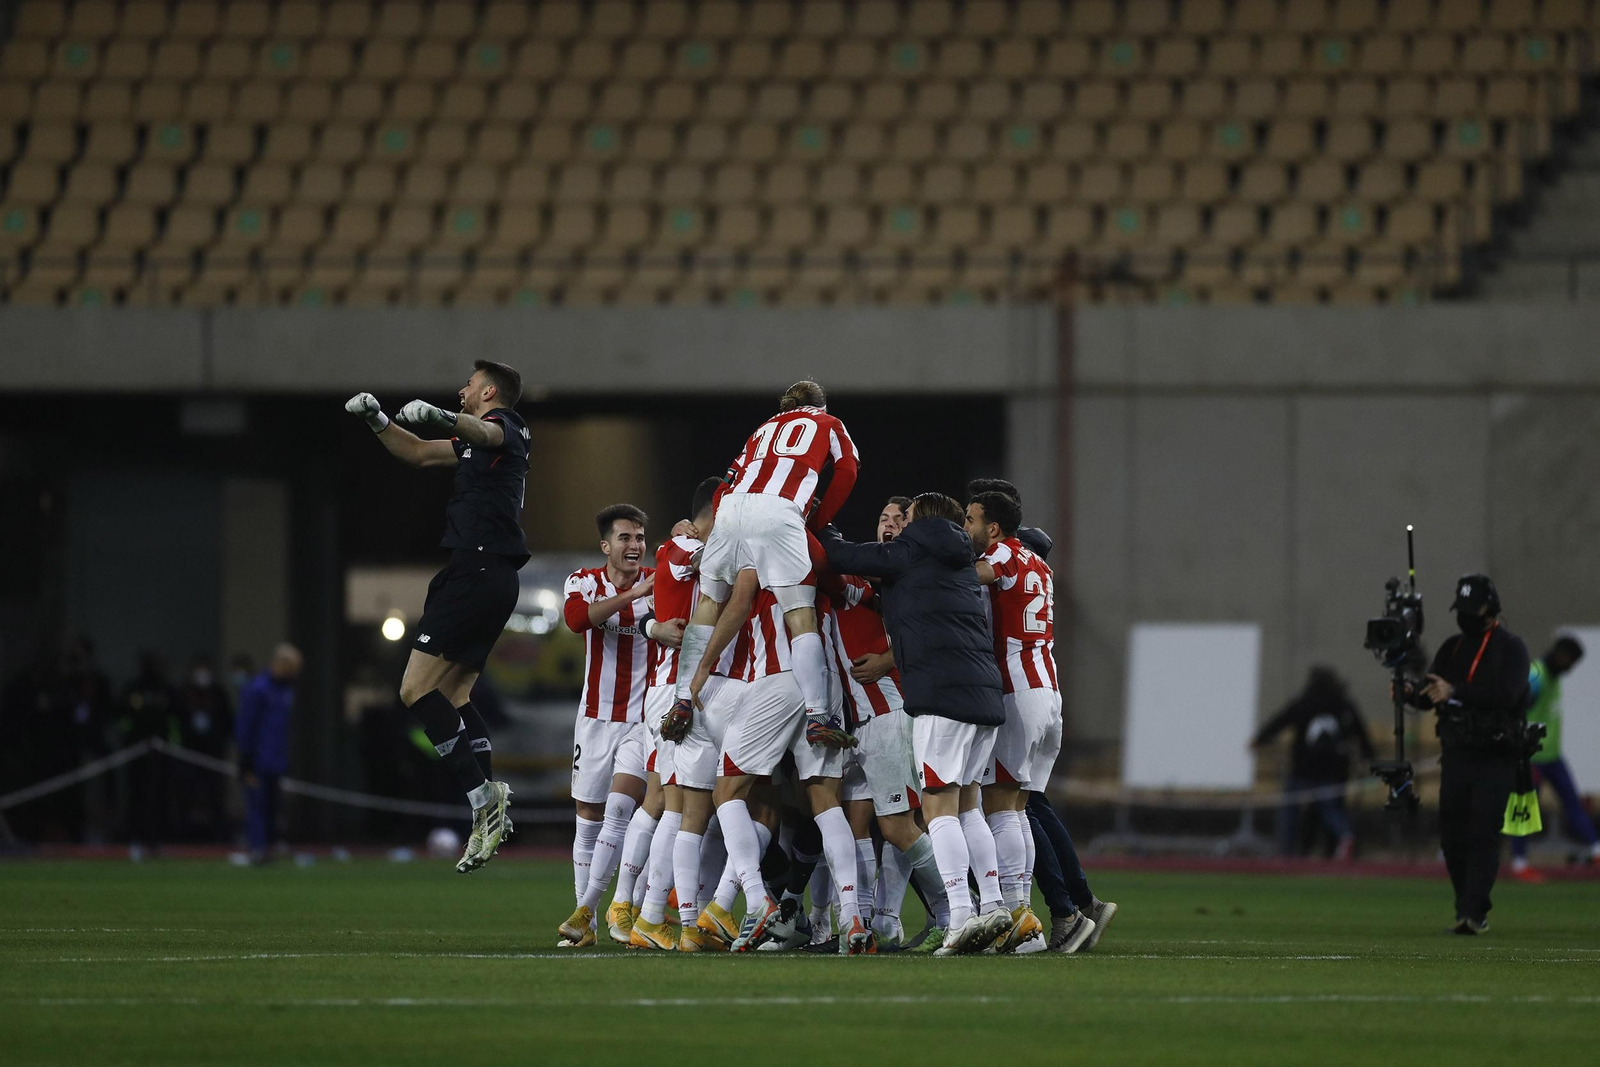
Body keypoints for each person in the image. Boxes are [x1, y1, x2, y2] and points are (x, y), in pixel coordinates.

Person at [344, 361, 526, 873]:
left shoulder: (507, 426)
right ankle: (492, 809)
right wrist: (378, 420)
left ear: (489, 390)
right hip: (491, 574)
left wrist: (445, 415)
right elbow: (419, 453)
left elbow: (481, 428)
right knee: (456, 694)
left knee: (413, 690)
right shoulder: (479, 443)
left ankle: (481, 799)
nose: (461, 388)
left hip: (477, 569)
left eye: (468, 384)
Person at [818, 492, 1012, 956]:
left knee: (937, 805)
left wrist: (818, 518)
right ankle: (997, 905)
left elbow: (840, 555)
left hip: (940, 696)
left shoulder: (910, 551)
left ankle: (959, 916)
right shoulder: (962, 560)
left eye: (902, 518)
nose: (896, 525)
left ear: (917, 521)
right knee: (968, 805)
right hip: (984, 696)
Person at [967, 477, 1117, 952]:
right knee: (1021, 806)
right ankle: (1057, 915)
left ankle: (1023, 914)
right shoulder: (1038, 564)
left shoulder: (1005, 555)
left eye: (969, 521)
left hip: (1016, 691)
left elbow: (969, 578)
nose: (964, 528)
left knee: (1003, 808)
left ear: (992, 529)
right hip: (1047, 690)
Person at [674, 381, 860, 755]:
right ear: (820, 405)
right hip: (780, 510)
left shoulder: (762, 429)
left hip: (733, 508)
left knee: (710, 601)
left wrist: (727, 520)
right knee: (800, 613)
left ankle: (682, 696)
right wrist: (818, 520)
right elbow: (848, 470)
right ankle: (819, 716)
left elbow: (722, 486)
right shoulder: (828, 422)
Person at [556, 504, 683, 948]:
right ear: (606, 546)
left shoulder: (659, 583)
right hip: (594, 718)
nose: (635, 546)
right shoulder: (584, 580)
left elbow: (666, 624)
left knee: (620, 810)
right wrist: (633, 595)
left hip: (640, 719)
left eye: (640, 538)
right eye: (625, 538)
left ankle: (591, 909)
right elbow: (576, 620)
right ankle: (586, 921)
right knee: (587, 817)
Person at [1401, 574, 1530, 934]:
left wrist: (1456, 690)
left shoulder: (1512, 648)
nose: (1467, 616)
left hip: (1496, 754)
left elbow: (1508, 694)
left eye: (1473, 609)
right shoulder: (1453, 648)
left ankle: (1474, 913)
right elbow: (1433, 695)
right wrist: (1410, 694)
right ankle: (1466, 906)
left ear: (1492, 610)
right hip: (1458, 754)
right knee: (1453, 836)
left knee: (1483, 833)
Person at [1252, 667, 1375, 860]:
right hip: (1332, 771)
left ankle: (1286, 851)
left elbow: (1279, 721)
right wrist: (1370, 759)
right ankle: (1346, 837)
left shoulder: (1304, 703)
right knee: (1330, 809)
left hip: (1303, 770)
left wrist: (1259, 739)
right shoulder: (1343, 705)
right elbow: (1361, 735)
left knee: (1289, 810)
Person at [1510, 635, 1600, 880]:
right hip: (1531, 757)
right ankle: (1519, 863)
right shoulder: (1537, 674)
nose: (1571, 669)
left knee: (1573, 805)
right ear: (1563, 657)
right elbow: (1518, 701)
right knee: (1524, 811)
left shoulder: (1554, 677)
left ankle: (1596, 850)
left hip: (1552, 756)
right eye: (1571, 663)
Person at [235, 644, 302, 864]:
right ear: (281, 664)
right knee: (257, 806)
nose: (295, 674)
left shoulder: (285, 691)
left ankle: (268, 849)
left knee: (273, 808)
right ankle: (257, 850)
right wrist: (246, 760)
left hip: (276, 761)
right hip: (258, 761)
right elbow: (246, 725)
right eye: (293, 668)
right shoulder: (257, 689)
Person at [119, 651, 181, 854]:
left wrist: (171, 746)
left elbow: (175, 720)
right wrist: (130, 742)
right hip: (136, 753)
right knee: (136, 795)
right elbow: (122, 719)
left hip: (161, 753)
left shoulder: (166, 689)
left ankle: (158, 837)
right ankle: (135, 836)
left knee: (159, 796)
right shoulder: (132, 688)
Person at [177, 654, 234, 842]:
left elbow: (227, 722)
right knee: (188, 797)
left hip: (214, 754)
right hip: (190, 753)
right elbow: (177, 722)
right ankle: (185, 838)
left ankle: (218, 839)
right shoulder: (184, 693)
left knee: (216, 798)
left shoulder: (218, 694)